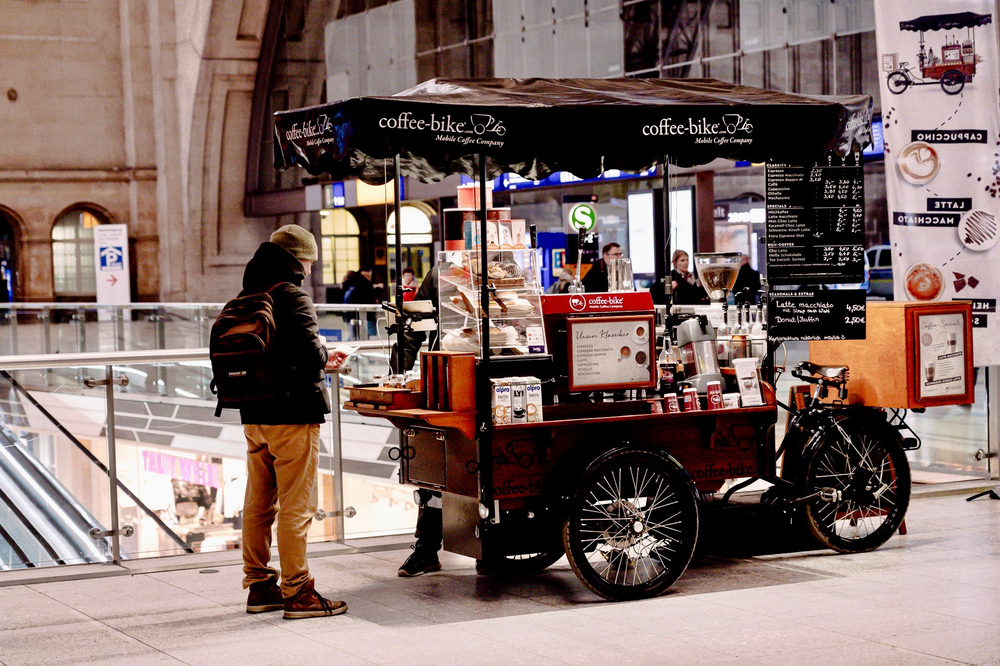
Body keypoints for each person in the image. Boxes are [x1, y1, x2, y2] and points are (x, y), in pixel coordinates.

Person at [237, 224, 349, 620]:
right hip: (293, 415)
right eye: (309, 261)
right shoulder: (292, 295)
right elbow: (308, 353)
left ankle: (259, 586)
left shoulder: (249, 292)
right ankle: (298, 592)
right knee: (297, 506)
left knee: (259, 503)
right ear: (301, 259)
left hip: (253, 413)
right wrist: (327, 356)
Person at [389, 264, 444, 577]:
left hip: (496, 374)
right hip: (445, 375)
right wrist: (398, 374)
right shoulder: (441, 273)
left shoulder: (508, 266)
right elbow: (413, 326)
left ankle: (489, 545)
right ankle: (427, 547)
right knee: (432, 468)